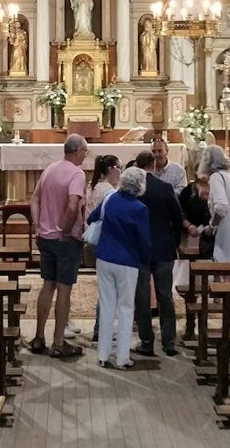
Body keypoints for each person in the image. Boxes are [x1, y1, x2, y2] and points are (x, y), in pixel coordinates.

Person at [28, 133, 87, 359]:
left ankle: (38, 337)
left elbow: (35, 199)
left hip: (45, 237)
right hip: (64, 240)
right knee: (64, 289)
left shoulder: (50, 169)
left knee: (47, 285)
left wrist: (37, 225)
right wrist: (65, 228)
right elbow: (73, 205)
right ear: (77, 151)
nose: (85, 155)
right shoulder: (76, 173)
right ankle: (59, 342)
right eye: (84, 151)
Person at [86, 164, 150, 370]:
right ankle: (122, 357)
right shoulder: (140, 209)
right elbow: (144, 240)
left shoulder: (109, 199)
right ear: (140, 186)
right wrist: (145, 259)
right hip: (127, 262)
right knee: (125, 309)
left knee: (106, 306)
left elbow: (91, 218)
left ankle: (103, 355)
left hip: (104, 258)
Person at [133, 150, 183, 357]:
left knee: (142, 297)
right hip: (164, 248)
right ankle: (169, 342)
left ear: (137, 165)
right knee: (165, 296)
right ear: (153, 165)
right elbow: (177, 218)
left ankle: (146, 342)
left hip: (140, 249)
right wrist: (175, 242)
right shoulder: (165, 188)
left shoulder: (134, 189)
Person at [84, 154, 123, 341]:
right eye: (119, 168)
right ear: (111, 169)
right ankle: (102, 330)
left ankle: (102, 329)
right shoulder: (109, 192)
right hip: (106, 242)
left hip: (92, 240)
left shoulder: (92, 187)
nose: (121, 172)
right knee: (109, 289)